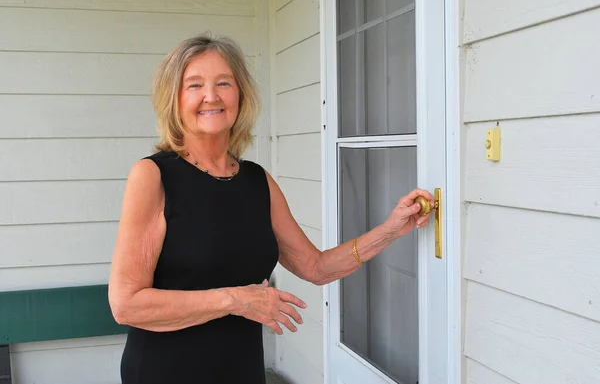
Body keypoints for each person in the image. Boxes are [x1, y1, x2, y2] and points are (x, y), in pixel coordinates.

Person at [108, 33, 434, 384]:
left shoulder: (257, 181)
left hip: (242, 369)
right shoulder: (153, 176)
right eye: (194, 85)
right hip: (166, 372)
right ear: (174, 99)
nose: (211, 96)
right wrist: (235, 300)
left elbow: (316, 266)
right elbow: (126, 304)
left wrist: (389, 230)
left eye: (223, 83)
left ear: (240, 95)